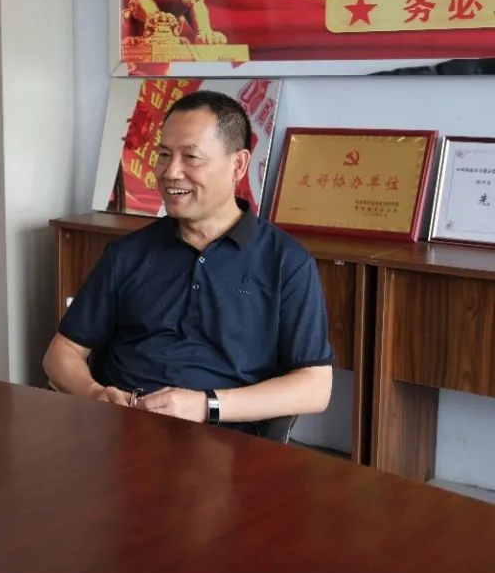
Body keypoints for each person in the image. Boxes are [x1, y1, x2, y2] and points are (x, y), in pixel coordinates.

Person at [43, 91, 332, 434]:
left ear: (239, 165)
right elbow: (61, 352)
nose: (171, 172)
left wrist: (207, 406)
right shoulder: (128, 254)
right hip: (123, 432)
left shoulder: (285, 262)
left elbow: (315, 386)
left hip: (222, 442)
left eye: (191, 157)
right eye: (164, 155)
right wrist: (94, 393)